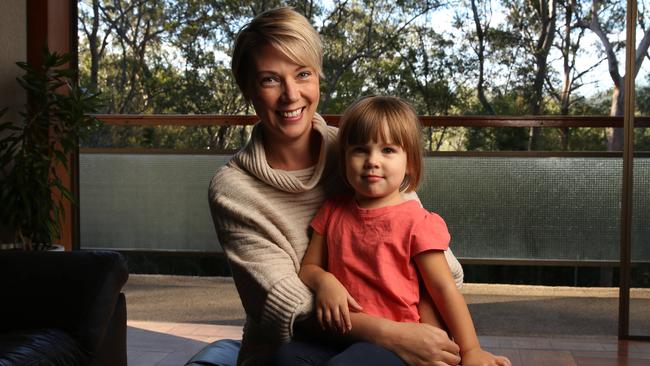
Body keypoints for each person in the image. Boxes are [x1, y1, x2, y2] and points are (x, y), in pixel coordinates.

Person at [202, 7, 464, 366]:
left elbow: (443, 270)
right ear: (248, 89)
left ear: (318, 78)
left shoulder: (360, 149)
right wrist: (394, 334)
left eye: (303, 74)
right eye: (269, 79)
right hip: (289, 350)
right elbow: (290, 305)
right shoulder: (233, 189)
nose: (291, 94)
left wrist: (425, 340)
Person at [273, 96, 511, 366]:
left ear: (409, 162)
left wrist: (471, 350)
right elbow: (309, 267)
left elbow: (444, 289)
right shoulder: (333, 210)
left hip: (397, 346)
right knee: (287, 357)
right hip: (341, 336)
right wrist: (325, 281)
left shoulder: (417, 222)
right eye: (360, 150)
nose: (372, 161)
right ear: (344, 158)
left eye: (388, 150)